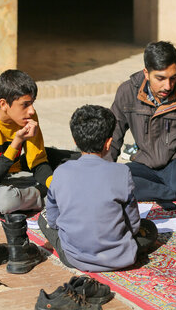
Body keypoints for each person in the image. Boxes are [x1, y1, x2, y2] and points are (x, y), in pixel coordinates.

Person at [41, 105, 157, 272]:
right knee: (150, 229)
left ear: (75, 141)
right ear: (109, 143)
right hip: (118, 258)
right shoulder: (122, 172)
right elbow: (133, 224)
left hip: (74, 257)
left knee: (42, 218)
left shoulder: (60, 172)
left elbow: (52, 220)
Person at [106, 41, 176, 209]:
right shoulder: (127, 92)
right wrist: (104, 171)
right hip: (144, 163)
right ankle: (172, 192)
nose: (168, 85)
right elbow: (113, 135)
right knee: (113, 184)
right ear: (146, 73)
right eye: (160, 78)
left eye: (173, 78)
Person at [0, 69, 78, 214]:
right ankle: (46, 196)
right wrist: (17, 142)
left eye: (32, 103)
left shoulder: (28, 117)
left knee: (74, 165)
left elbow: (38, 162)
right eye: (25, 105)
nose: (31, 110)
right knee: (7, 200)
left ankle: (49, 194)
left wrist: (54, 185)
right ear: (4, 104)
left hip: (15, 176)